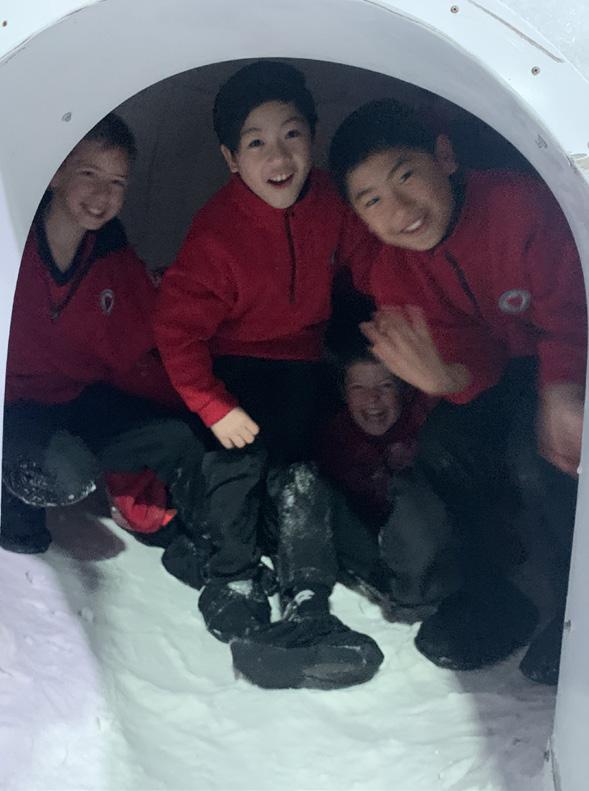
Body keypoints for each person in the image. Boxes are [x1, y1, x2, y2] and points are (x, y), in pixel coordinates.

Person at [328, 98, 586, 684]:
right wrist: (449, 380)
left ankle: (578, 606)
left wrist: (564, 387)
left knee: (546, 458)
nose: (399, 210)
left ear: (443, 157)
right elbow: (479, 362)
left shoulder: (518, 206)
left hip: (572, 351)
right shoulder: (395, 273)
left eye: (405, 176)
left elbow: (572, 308)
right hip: (511, 368)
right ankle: (495, 597)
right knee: (444, 446)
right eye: (372, 201)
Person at [156, 61, 383, 689]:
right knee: (238, 462)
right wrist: (213, 404)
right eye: (256, 142)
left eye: (291, 135)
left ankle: (309, 599)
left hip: (302, 365)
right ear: (232, 159)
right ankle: (230, 574)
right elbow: (176, 330)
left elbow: (369, 262)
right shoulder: (217, 233)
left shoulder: (331, 203)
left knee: (302, 474)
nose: (278, 157)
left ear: (313, 137)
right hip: (231, 368)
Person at [1, 113, 208, 588]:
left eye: (117, 182)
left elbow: (148, 332)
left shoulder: (110, 254)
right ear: (56, 174)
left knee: (175, 435)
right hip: (13, 408)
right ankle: (12, 494)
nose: (102, 194)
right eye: (89, 174)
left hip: (74, 400)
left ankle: (200, 538)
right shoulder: (13, 240)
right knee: (58, 481)